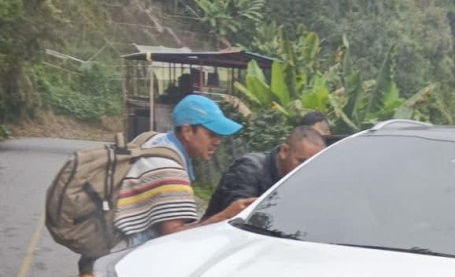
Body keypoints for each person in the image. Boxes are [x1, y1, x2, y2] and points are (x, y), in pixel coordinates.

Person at [112, 94, 253, 249]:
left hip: (107, 243)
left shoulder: (152, 140)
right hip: (121, 256)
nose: (217, 141)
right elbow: (174, 236)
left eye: (219, 135)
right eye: (211, 134)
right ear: (187, 131)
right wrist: (225, 216)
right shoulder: (170, 171)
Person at [202, 124, 326, 219]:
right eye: (301, 161)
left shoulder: (304, 179)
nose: (304, 169)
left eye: (312, 165)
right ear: (284, 151)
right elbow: (240, 217)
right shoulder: (249, 168)